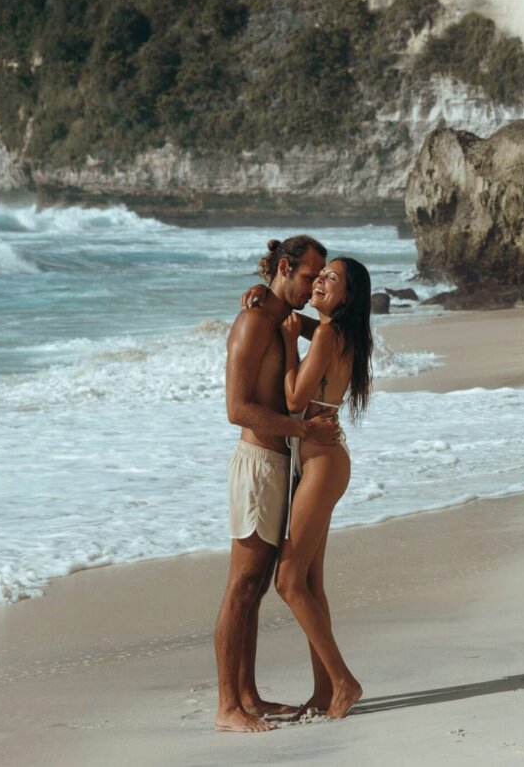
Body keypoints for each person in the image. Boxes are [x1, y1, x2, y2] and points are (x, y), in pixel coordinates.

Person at [214, 234, 340, 735]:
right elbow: (236, 409)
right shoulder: (251, 321)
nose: (313, 289)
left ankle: (249, 696)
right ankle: (228, 708)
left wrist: (263, 291)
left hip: (276, 464)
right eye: (309, 277)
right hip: (257, 465)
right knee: (241, 589)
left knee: (257, 587)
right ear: (285, 267)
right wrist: (303, 430)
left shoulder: (273, 314)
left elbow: (330, 334)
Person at [275, 256, 373, 720]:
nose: (319, 281)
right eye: (319, 275)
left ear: (346, 296)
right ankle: (322, 691)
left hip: (321, 465)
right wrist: (295, 323)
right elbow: (320, 332)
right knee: (311, 581)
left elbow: (295, 398)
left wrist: (290, 342)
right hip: (327, 461)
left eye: (331, 279)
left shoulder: (328, 335)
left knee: (288, 580)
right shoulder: (341, 334)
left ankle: (343, 681)